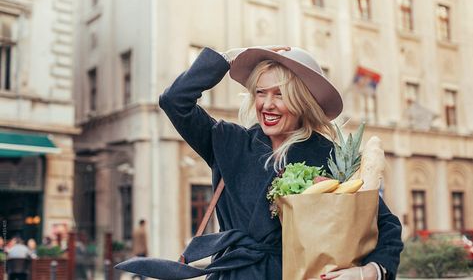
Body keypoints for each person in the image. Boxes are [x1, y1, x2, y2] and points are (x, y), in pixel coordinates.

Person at [116, 46, 403, 279]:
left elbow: (384, 224)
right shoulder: (229, 141)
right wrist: (229, 59)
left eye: (280, 94)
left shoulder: (330, 155)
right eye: (260, 93)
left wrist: (369, 272)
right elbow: (175, 100)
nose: (267, 104)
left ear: (301, 101)